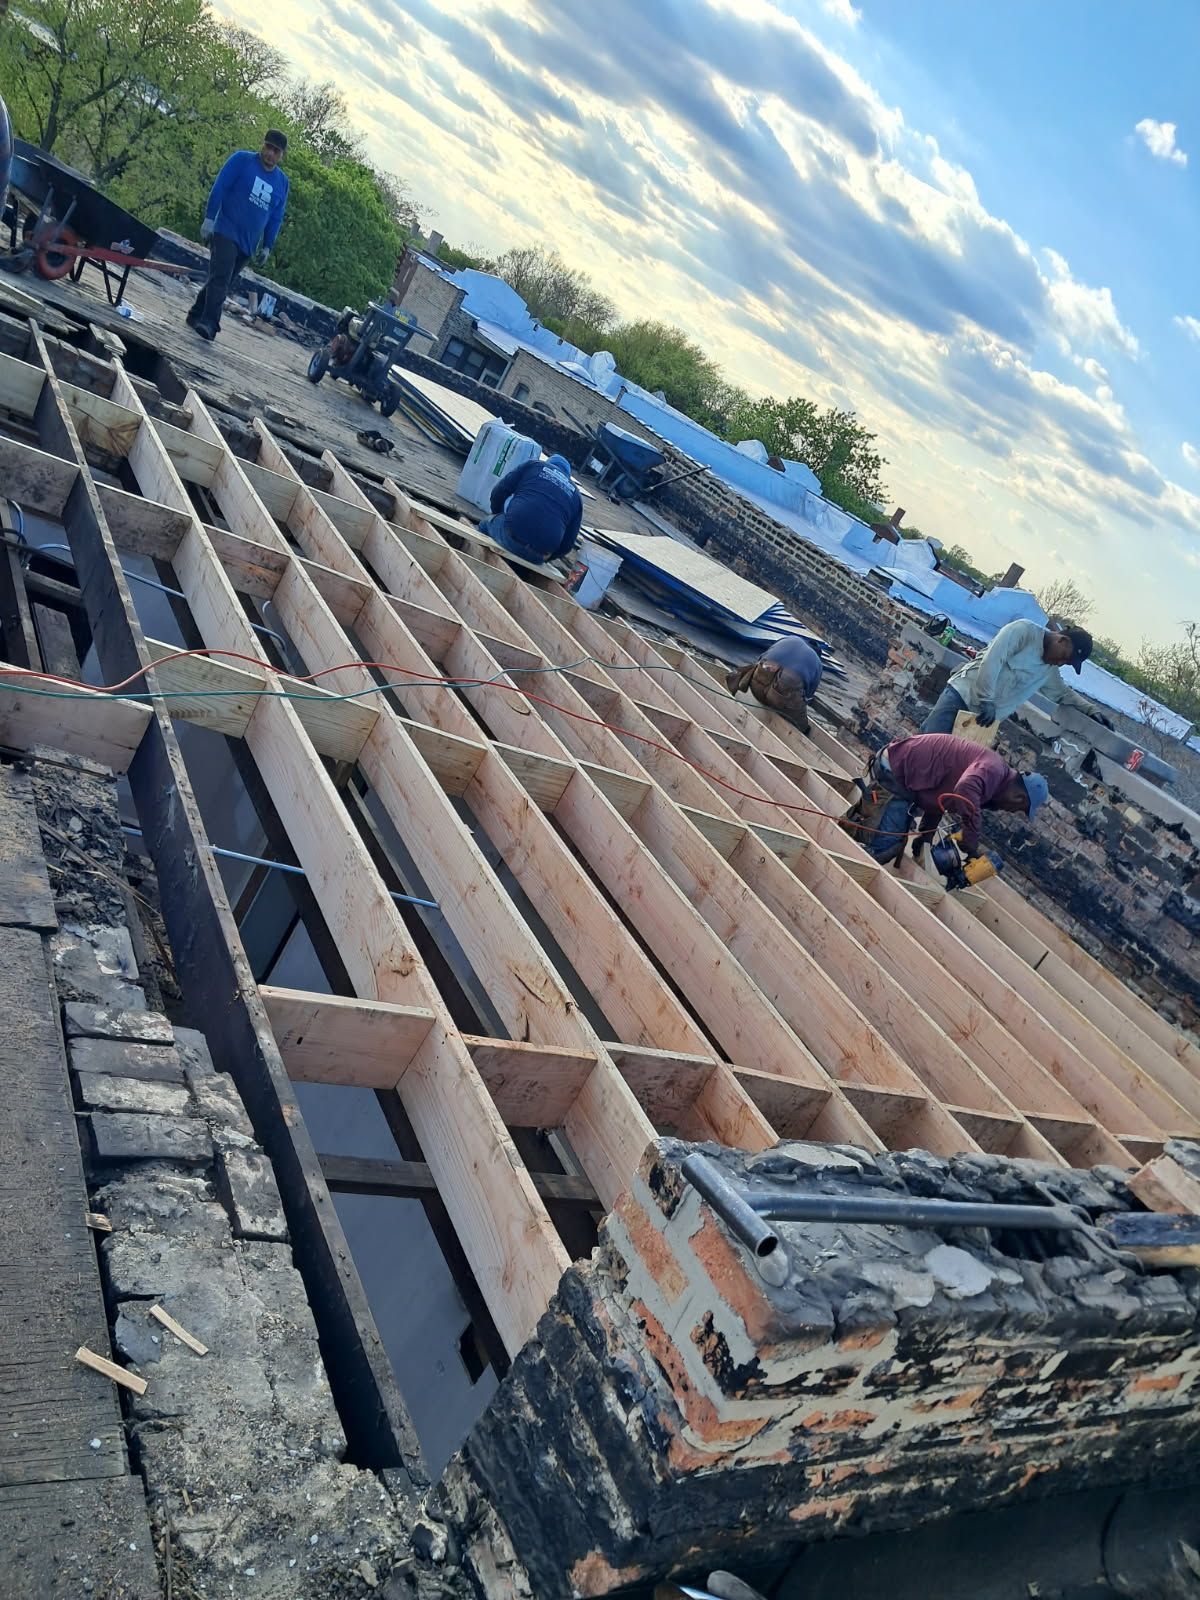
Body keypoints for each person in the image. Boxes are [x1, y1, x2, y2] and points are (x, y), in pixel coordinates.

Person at [841, 730, 1048, 864]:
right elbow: (964, 790)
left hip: (905, 776)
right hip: (896, 770)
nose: (1012, 811)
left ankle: (848, 832)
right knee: (886, 845)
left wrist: (926, 836)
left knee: (893, 839)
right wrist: (971, 838)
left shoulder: (994, 782)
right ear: (1019, 798)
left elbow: (939, 801)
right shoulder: (993, 771)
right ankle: (843, 865)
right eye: (1020, 808)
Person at [923, 620, 1114, 734]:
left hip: (983, 720)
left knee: (945, 768)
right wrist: (986, 699)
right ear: (1062, 640)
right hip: (962, 697)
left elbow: (1063, 694)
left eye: (1066, 663)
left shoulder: (1048, 670)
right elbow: (992, 661)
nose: (1060, 663)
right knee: (923, 749)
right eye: (1064, 658)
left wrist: (1092, 710)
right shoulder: (1023, 632)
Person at [188, 131, 290, 342]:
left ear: (282, 155)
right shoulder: (242, 160)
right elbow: (220, 187)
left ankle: (195, 314)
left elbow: (276, 217)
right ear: (263, 145)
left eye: (276, 151)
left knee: (221, 279)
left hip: (248, 242)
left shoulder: (282, 183)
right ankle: (209, 323)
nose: (270, 153)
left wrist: (267, 246)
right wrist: (209, 218)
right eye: (268, 147)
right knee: (221, 278)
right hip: (226, 229)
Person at [480, 454, 583, 563]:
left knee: (486, 523)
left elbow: (498, 492)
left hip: (510, 536)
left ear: (548, 463)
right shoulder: (576, 496)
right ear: (567, 476)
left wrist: (497, 514)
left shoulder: (533, 466)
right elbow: (568, 544)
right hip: (538, 556)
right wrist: (547, 558)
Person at [725, 636, 823, 735]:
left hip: (757, 685)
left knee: (753, 668)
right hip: (781, 697)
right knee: (800, 720)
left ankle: (729, 686)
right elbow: (807, 696)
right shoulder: (817, 663)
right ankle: (803, 733)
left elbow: (761, 658)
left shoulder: (790, 639)